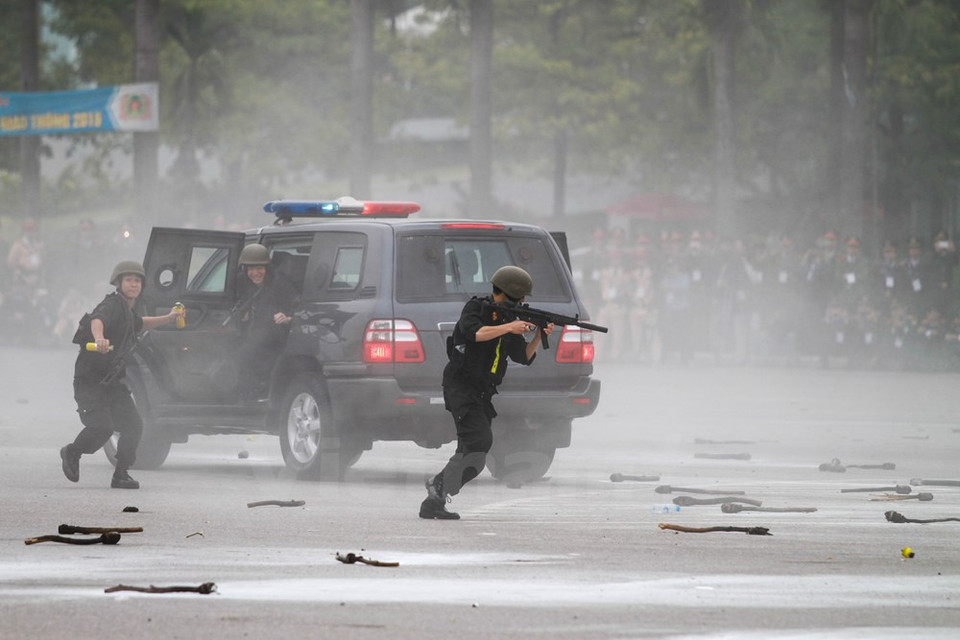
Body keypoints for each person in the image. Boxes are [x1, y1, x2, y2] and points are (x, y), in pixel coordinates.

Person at [420, 265, 554, 520]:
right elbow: (476, 333)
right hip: (461, 387)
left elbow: (523, 356)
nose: (523, 301)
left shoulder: (509, 319)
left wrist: (538, 335)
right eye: (520, 296)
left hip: (483, 393)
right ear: (508, 292)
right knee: (479, 441)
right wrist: (509, 327)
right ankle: (437, 485)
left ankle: (433, 502)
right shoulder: (476, 309)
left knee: (475, 458)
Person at [59, 261, 183, 489]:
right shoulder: (112, 304)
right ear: (118, 283)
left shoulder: (127, 310)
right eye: (128, 280)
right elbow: (98, 319)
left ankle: (121, 474)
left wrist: (168, 318)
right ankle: (72, 452)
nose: (133, 284)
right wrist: (99, 338)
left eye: (137, 281)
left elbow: (140, 323)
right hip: (91, 381)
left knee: (134, 425)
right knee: (102, 427)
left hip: (113, 382)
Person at [232, 243, 298, 401]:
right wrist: (240, 316)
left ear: (267, 268)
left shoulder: (281, 284)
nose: (255, 273)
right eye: (250, 269)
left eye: (259, 268)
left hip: (276, 340)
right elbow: (230, 305)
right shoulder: (240, 283)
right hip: (249, 337)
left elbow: (301, 309)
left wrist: (288, 318)